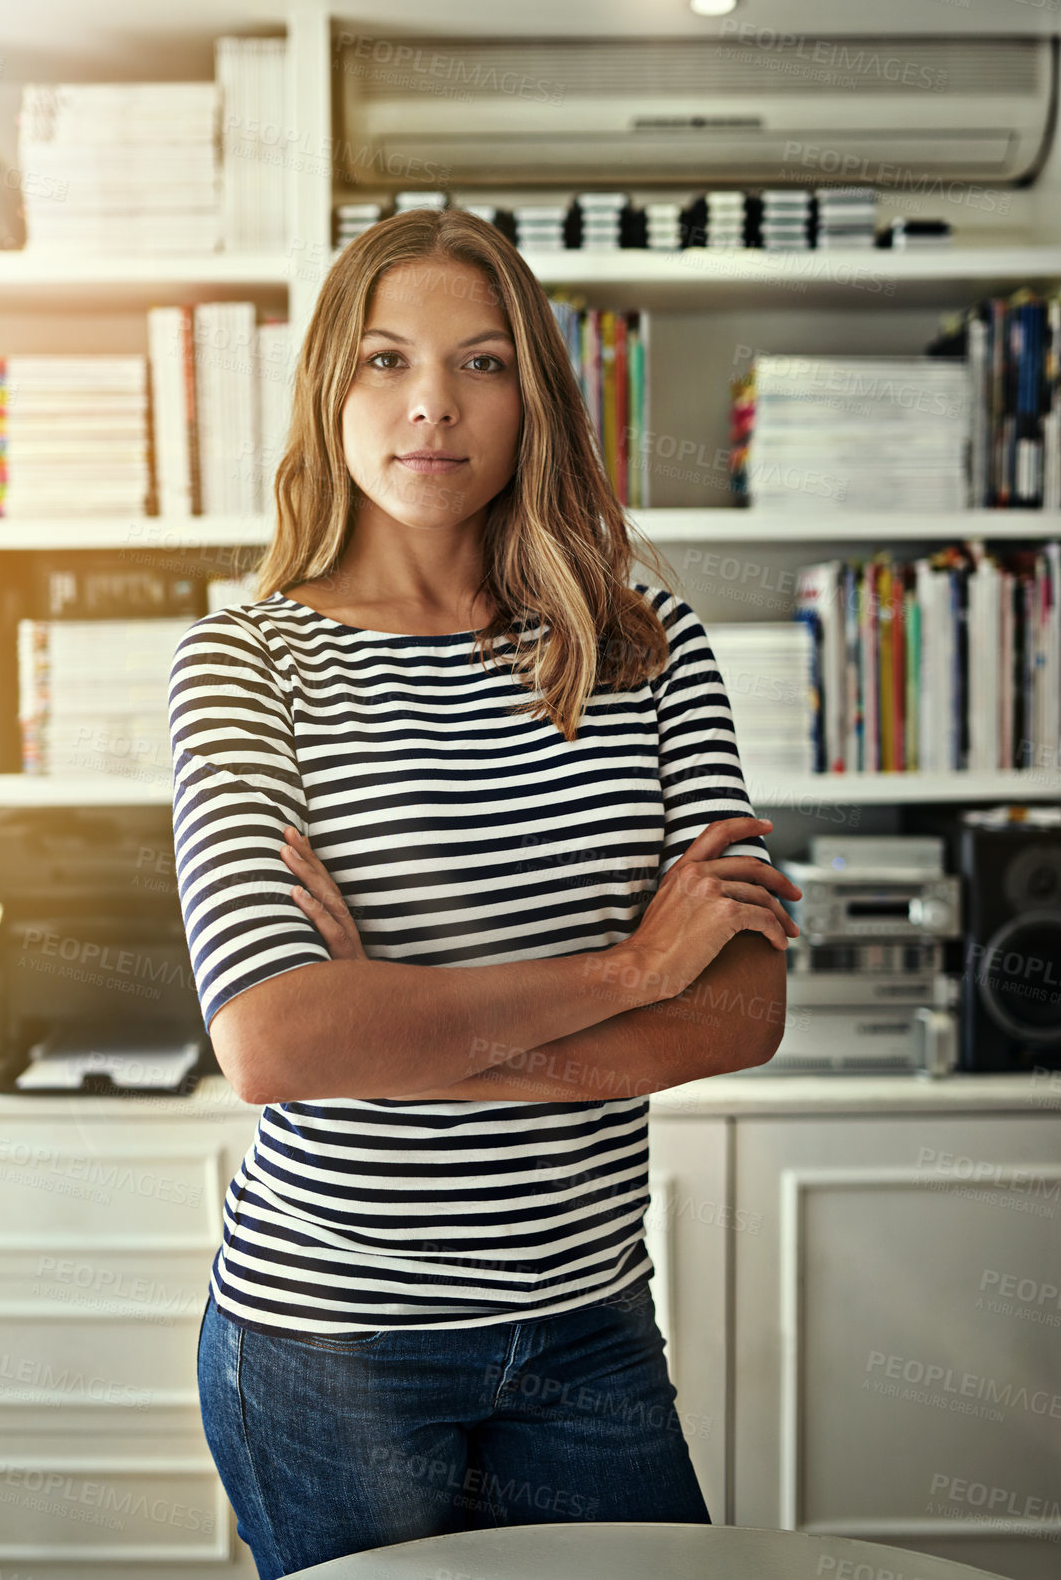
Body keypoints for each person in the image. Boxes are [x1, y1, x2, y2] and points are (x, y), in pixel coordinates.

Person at [168, 207, 802, 1578]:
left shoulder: (645, 643)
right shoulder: (243, 664)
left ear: (538, 399)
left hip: (587, 1324)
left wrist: (396, 1038)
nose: (432, 405)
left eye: (484, 361)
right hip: (330, 1342)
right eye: (386, 360)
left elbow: (745, 1005)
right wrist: (635, 971)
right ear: (330, 383)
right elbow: (275, 1042)